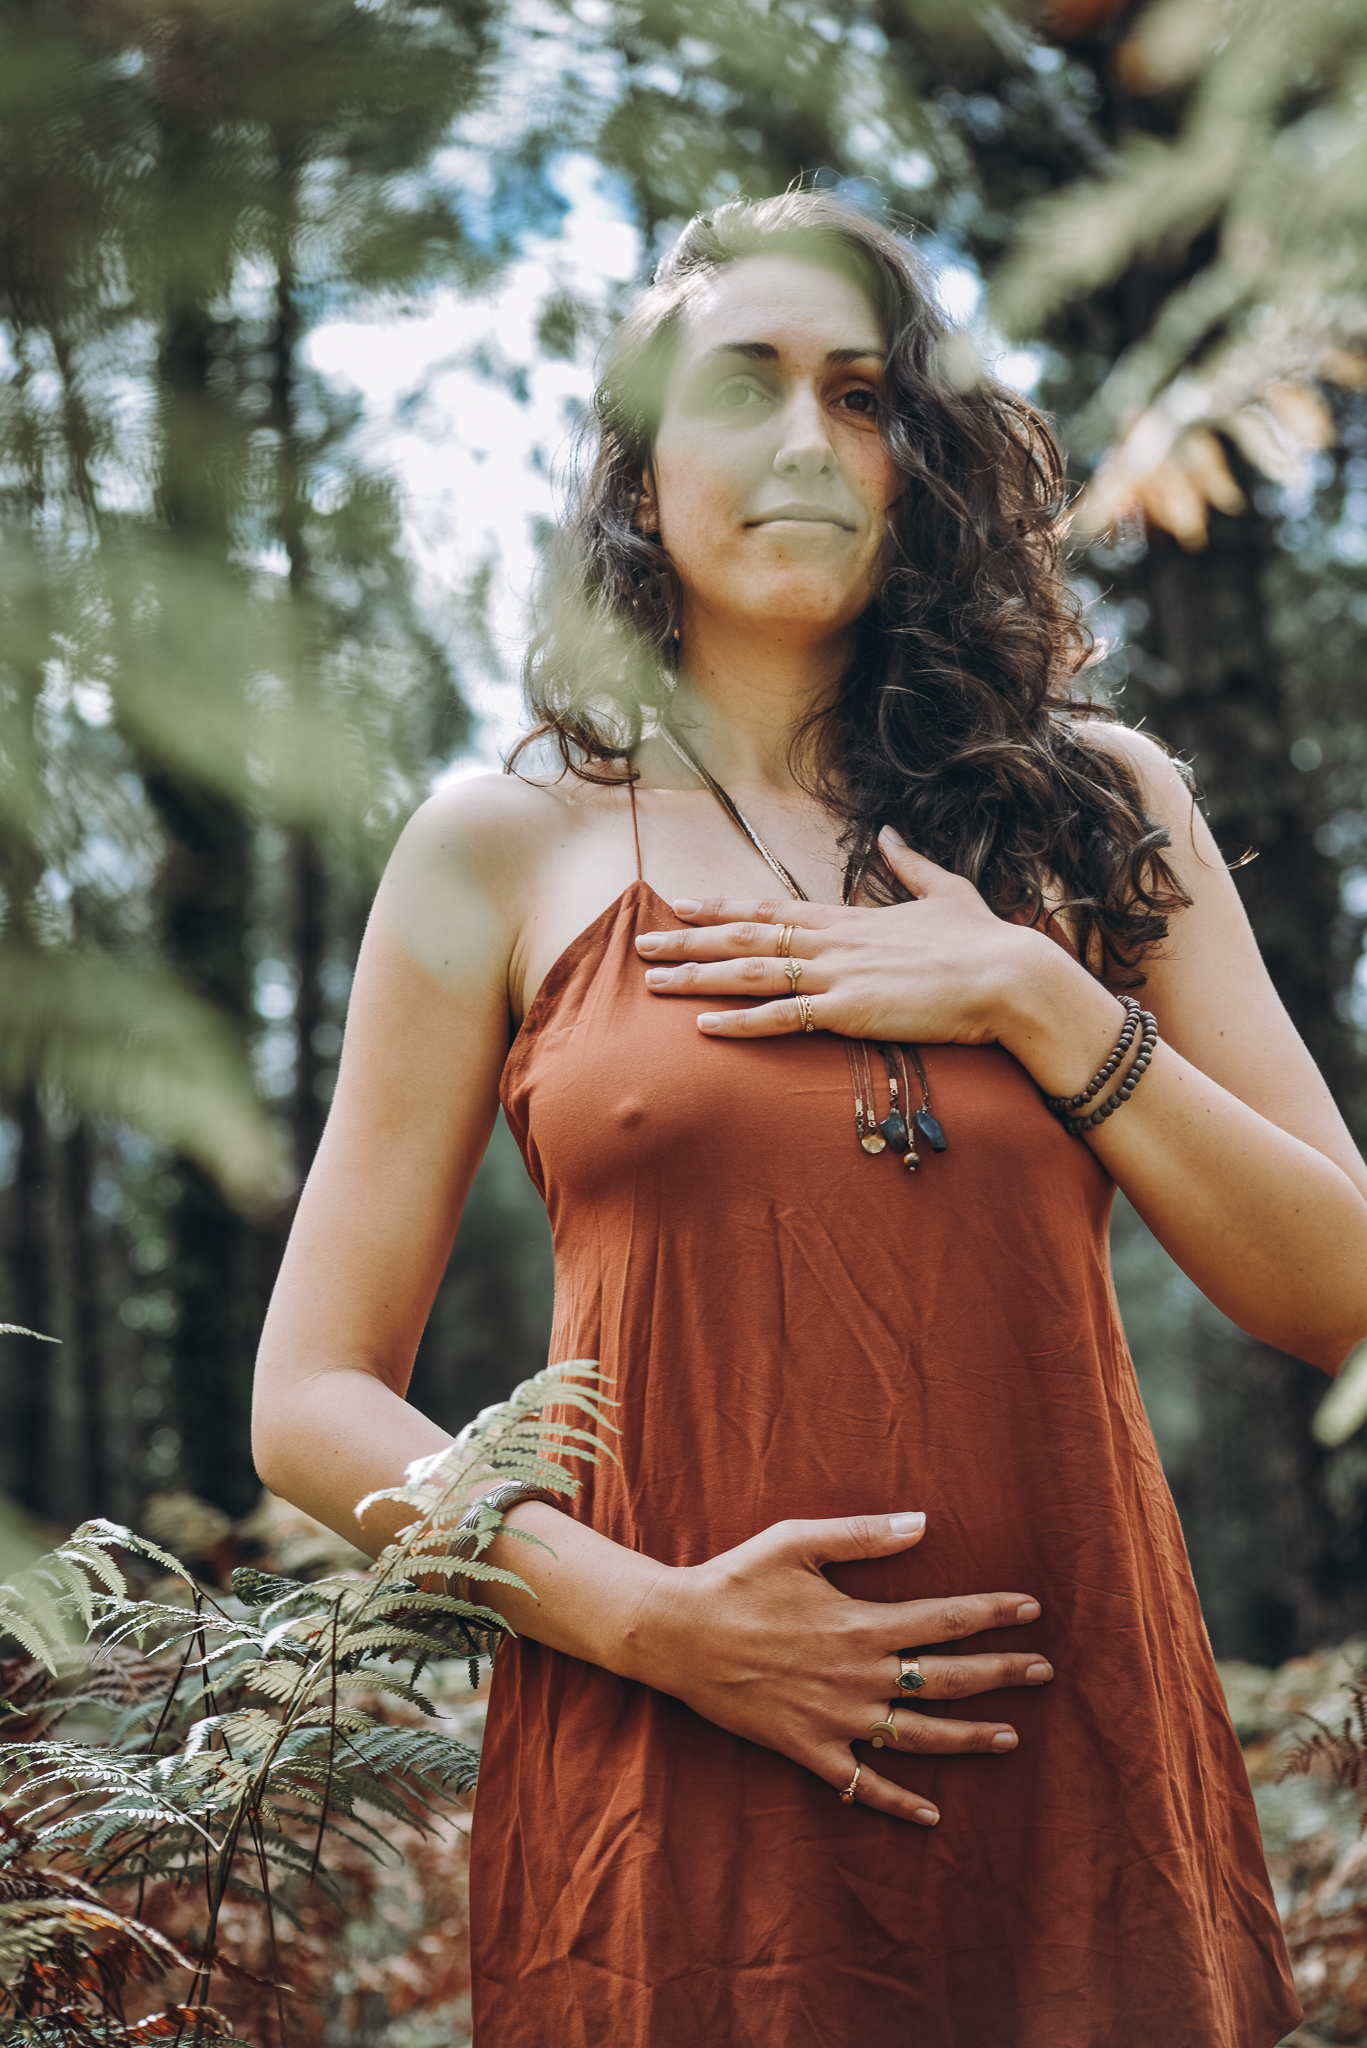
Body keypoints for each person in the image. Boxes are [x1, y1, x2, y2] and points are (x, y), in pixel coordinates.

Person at [252, 191, 1366, 2046]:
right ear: (638, 472)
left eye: (862, 397)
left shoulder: (1095, 809)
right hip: (668, 1788)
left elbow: (1345, 1291)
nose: (806, 441)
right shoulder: (497, 848)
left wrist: (1034, 999)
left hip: (1072, 1781)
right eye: (741, 385)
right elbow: (310, 1401)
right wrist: (650, 1621)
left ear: (923, 465)